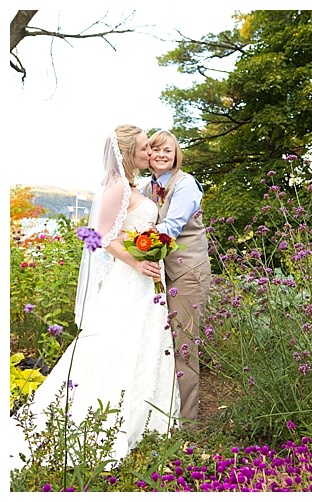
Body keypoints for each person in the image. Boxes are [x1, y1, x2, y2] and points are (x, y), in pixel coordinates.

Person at [9, 125, 180, 471]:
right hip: (128, 279)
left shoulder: (133, 185)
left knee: (144, 344)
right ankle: (105, 421)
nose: (150, 153)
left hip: (143, 282)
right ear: (130, 152)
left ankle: (149, 420)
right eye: (145, 148)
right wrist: (137, 262)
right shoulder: (117, 187)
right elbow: (103, 237)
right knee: (115, 347)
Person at [140, 130, 211, 423]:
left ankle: (188, 421)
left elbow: (172, 225)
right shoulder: (145, 189)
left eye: (167, 150)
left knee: (183, 344)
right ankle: (160, 414)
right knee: (157, 342)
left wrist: (137, 244)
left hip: (187, 272)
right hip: (157, 275)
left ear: (176, 155)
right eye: (155, 149)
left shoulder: (186, 185)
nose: (160, 155)